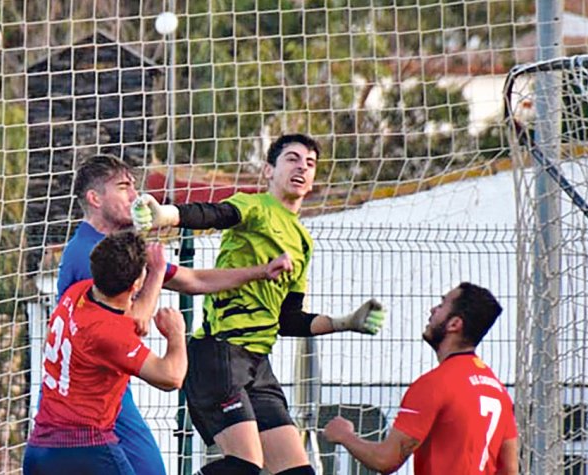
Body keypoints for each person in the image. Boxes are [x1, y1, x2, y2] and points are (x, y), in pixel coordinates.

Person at [132, 133, 386, 475]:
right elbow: (214, 214)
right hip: (220, 354)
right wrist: (166, 215)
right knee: (244, 467)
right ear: (269, 170)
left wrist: (345, 322)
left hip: (258, 365)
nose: (302, 167)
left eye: (310, 164)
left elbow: (289, 319)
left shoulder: (302, 242)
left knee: (297, 472)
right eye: (292, 159)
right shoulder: (255, 207)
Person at [56, 154, 293, 475]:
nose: (135, 196)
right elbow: (130, 325)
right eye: (123, 187)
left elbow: (194, 280)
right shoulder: (88, 255)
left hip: (108, 393)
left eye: (134, 187)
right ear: (95, 198)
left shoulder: (115, 251)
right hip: (85, 403)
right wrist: (156, 283)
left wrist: (261, 271)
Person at [24, 231, 186, 474]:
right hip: (85, 450)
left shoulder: (77, 292)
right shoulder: (110, 334)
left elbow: (132, 316)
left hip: (39, 450)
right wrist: (176, 334)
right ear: (135, 284)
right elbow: (171, 376)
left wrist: (156, 272)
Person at [323, 282, 519, 475]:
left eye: (442, 305)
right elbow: (509, 470)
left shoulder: (435, 384)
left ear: (454, 324)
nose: (433, 309)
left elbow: (385, 460)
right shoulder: (498, 390)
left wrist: (344, 435)